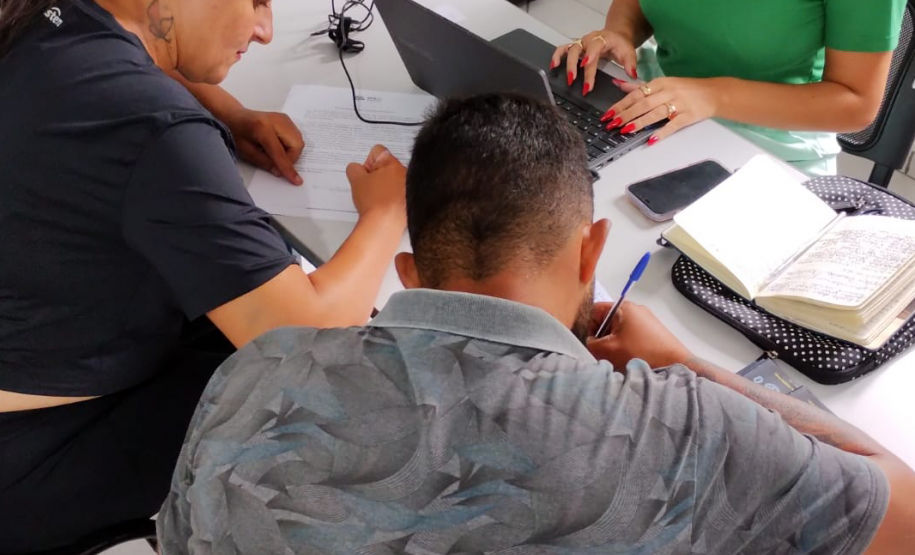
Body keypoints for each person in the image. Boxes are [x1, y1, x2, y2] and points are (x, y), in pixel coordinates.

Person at [158, 95, 915, 555]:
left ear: (408, 272)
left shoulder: (253, 373)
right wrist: (692, 368)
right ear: (591, 252)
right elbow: (902, 516)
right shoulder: (684, 429)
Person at [0, 0, 407, 550]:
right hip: (41, 450)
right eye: (257, 2)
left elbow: (143, 87)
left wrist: (225, 112)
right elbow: (308, 341)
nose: (265, 31)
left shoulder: (47, 18)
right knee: (358, 389)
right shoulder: (152, 125)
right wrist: (388, 210)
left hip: (40, 341)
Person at [552, 0, 908, 175]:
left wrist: (711, 95)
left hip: (769, 146)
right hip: (657, 101)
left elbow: (857, 102)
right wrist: (620, 33)